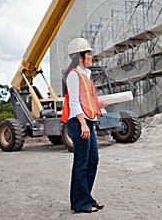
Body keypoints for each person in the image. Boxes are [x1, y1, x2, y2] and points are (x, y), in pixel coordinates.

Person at [65, 37, 105, 214]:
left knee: (93, 160)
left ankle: (86, 198)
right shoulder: (73, 75)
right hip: (78, 122)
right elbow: (74, 102)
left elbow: (87, 100)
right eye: (88, 53)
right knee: (81, 163)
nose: (91, 56)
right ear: (80, 57)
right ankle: (79, 203)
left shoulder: (86, 75)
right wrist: (82, 123)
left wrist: (99, 105)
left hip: (87, 120)